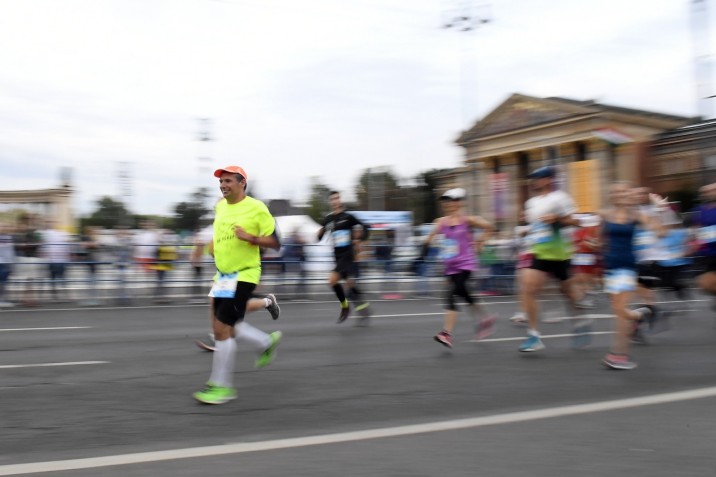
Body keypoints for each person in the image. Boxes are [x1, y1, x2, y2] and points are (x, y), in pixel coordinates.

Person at [193, 165, 282, 405]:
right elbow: (220, 232)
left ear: (242, 183)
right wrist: (212, 247)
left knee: (222, 328)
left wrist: (251, 238)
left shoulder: (256, 208)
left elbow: (275, 242)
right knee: (226, 327)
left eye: (228, 181)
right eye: (221, 182)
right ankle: (265, 342)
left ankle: (221, 387)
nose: (223, 185)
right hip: (223, 276)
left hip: (244, 274)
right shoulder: (219, 206)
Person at [517, 166, 585, 352]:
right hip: (539, 251)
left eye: (537, 178)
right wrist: (527, 232)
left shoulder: (560, 198)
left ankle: (580, 321)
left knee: (568, 294)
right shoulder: (530, 203)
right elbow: (536, 226)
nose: (534, 182)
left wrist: (557, 218)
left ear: (548, 179)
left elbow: (576, 221)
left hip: (560, 253)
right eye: (533, 179)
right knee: (529, 288)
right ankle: (534, 335)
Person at [597, 183, 664, 370]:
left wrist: (659, 210)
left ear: (628, 195)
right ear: (611, 195)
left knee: (619, 310)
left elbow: (661, 232)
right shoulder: (605, 215)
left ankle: (620, 355)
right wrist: (594, 246)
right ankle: (637, 315)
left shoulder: (636, 215)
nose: (620, 194)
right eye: (616, 191)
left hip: (627, 266)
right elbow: (599, 240)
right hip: (610, 266)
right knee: (619, 310)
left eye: (623, 191)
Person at [423, 188, 497, 348]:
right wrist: (423, 251)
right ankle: (486, 318)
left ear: (458, 203)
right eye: (445, 201)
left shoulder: (468, 219)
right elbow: (429, 238)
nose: (447, 204)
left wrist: (480, 242)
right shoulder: (440, 222)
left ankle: (446, 333)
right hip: (450, 265)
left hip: (466, 263)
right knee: (464, 294)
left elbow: (489, 227)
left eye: (451, 201)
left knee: (450, 294)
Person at [190, 220, 280, 352]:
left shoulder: (246, 220)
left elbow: (268, 244)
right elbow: (211, 249)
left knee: (234, 316)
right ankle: (219, 336)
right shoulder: (221, 224)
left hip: (243, 274)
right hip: (226, 275)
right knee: (215, 303)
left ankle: (267, 306)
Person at [317, 190, 371, 325]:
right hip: (337, 255)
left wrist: (360, 240)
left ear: (340, 200)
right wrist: (321, 231)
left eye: (337, 198)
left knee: (332, 280)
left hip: (348, 255)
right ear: (330, 202)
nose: (335, 201)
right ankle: (364, 310)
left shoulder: (348, 217)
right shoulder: (328, 219)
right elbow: (319, 237)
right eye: (332, 199)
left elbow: (366, 227)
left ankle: (345, 306)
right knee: (350, 285)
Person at [692, 182, 716, 314]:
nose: (711, 193)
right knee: (704, 283)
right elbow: (697, 228)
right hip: (707, 252)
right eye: (708, 191)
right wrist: (694, 241)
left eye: (714, 190)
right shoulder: (701, 210)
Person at [40, 220, 73, 301]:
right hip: (58, 260)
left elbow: (44, 246)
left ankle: (57, 296)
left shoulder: (50, 234)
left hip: (55, 260)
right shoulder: (60, 233)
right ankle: (63, 295)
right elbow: (67, 247)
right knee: (60, 279)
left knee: (54, 279)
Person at [0, 222, 16, 307]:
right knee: (2, 282)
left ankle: (3, 299)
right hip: (1, 262)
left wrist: (12, 262)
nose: (4, 228)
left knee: (4, 282)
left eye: (5, 226)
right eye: (2, 226)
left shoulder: (9, 237)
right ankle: (2, 299)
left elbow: (11, 251)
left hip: (7, 263)